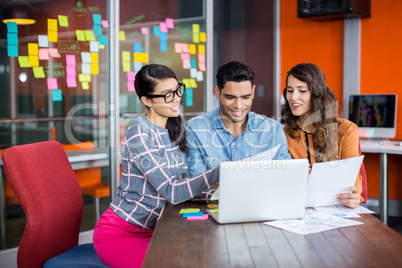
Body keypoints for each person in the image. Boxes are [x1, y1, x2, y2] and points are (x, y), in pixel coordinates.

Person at [93, 64, 220, 268]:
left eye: (177, 90)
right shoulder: (138, 134)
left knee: (203, 255)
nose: (177, 98)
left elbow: (183, 186)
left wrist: (219, 197)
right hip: (121, 234)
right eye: (167, 95)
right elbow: (172, 192)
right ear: (146, 101)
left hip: (157, 229)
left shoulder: (174, 129)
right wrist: (217, 173)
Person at [185, 61, 290, 200]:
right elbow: (195, 185)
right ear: (217, 92)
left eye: (245, 97)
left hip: (261, 207)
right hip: (212, 209)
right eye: (230, 97)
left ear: (253, 92)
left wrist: (220, 185)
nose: (238, 105)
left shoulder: (273, 130)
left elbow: (285, 179)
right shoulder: (194, 130)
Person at [282, 63, 363, 208]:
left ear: (316, 93)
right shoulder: (285, 134)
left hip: (339, 206)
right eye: (289, 90)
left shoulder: (346, 129)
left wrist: (355, 195)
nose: (293, 97)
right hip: (302, 206)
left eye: (302, 91)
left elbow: (353, 174)